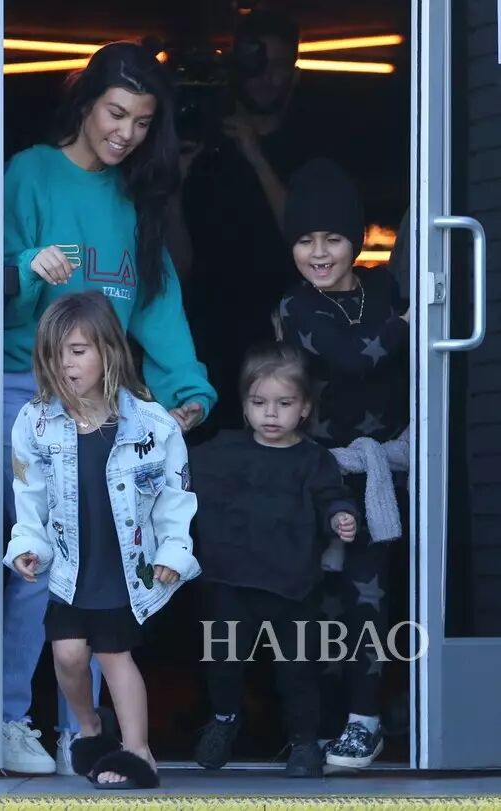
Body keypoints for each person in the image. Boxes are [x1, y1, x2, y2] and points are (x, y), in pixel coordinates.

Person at [2, 41, 216, 775]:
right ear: (86, 103)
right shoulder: (31, 171)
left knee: (101, 566)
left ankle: (82, 736)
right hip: (24, 388)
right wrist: (26, 268)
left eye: (142, 121)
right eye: (115, 113)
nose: (126, 132)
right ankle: (11, 720)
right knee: (35, 562)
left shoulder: (134, 197)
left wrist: (186, 390)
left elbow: (156, 301)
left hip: (108, 404)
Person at [3, 291, 200, 789]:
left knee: (114, 656)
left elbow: (175, 496)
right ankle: (89, 730)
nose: (65, 364)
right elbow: (30, 496)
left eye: (77, 351)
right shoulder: (35, 421)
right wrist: (28, 546)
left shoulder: (152, 424)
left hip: (123, 563)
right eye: (54, 354)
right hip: (71, 564)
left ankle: (138, 752)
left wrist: (175, 551)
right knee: (68, 655)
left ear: (109, 351)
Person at [278, 158, 409, 769]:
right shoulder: (295, 306)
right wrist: (407, 325)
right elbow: (354, 357)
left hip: (386, 473)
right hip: (324, 477)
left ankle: (366, 720)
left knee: (370, 599)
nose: (319, 253)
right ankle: (317, 723)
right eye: (305, 240)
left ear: (355, 240)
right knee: (320, 605)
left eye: (332, 238)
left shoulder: (383, 291)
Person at [189, 342, 358, 776]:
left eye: (284, 404)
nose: (270, 414)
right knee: (223, 663)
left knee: (297, 671)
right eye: (258, 402)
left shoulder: (314, 459)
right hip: (230, 582)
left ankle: (304, 744)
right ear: (244, 405)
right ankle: (224, 720)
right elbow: (178, 475)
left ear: (304, 408)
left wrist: (341, 515)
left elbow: (332, 495)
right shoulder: (222, 450)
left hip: (294, 586)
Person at [174, 9, 313, 429]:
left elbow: (307, 239)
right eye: (257, 64)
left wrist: (256, 156)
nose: (267, 78)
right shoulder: (204, 149)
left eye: (280, 65)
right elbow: (176, 263)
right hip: (205, 335)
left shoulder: (307, 148)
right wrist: (174, 184)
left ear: (295, 74)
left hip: (280, 336)